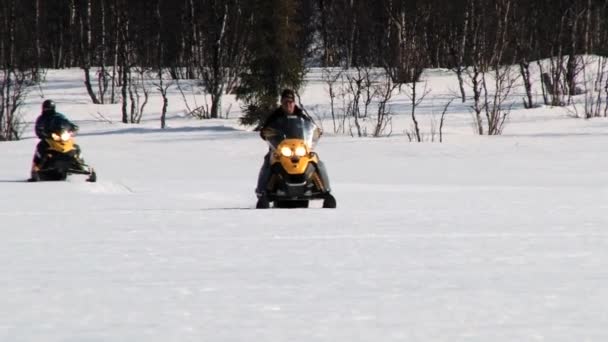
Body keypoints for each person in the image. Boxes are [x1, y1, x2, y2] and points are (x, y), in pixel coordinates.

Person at [255, 89, 331, 197]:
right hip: (280, 149)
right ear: (281, 103)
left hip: (300, 149)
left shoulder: (301, 116)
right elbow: (266, 129)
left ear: (294, 103)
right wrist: (266, 133)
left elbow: (310, 128)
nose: (288, 105)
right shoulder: (275, 116)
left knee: (315, 160)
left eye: (290, 102)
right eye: (285, 102)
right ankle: (262, 191)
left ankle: (324, 189)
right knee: (268, 161)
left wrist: (316, 132)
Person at [30, 100, 81, 179]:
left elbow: (66, 122)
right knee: (40, 147)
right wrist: (43, 133)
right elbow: (38, 128)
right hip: (49, 137)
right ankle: (36, 168)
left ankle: (79, 164)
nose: (48, 110)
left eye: (50, 108)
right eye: (47, 108)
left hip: (61, 136)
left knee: (75, 147)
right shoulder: (41, 118)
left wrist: (72, 127)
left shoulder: (59, 116)